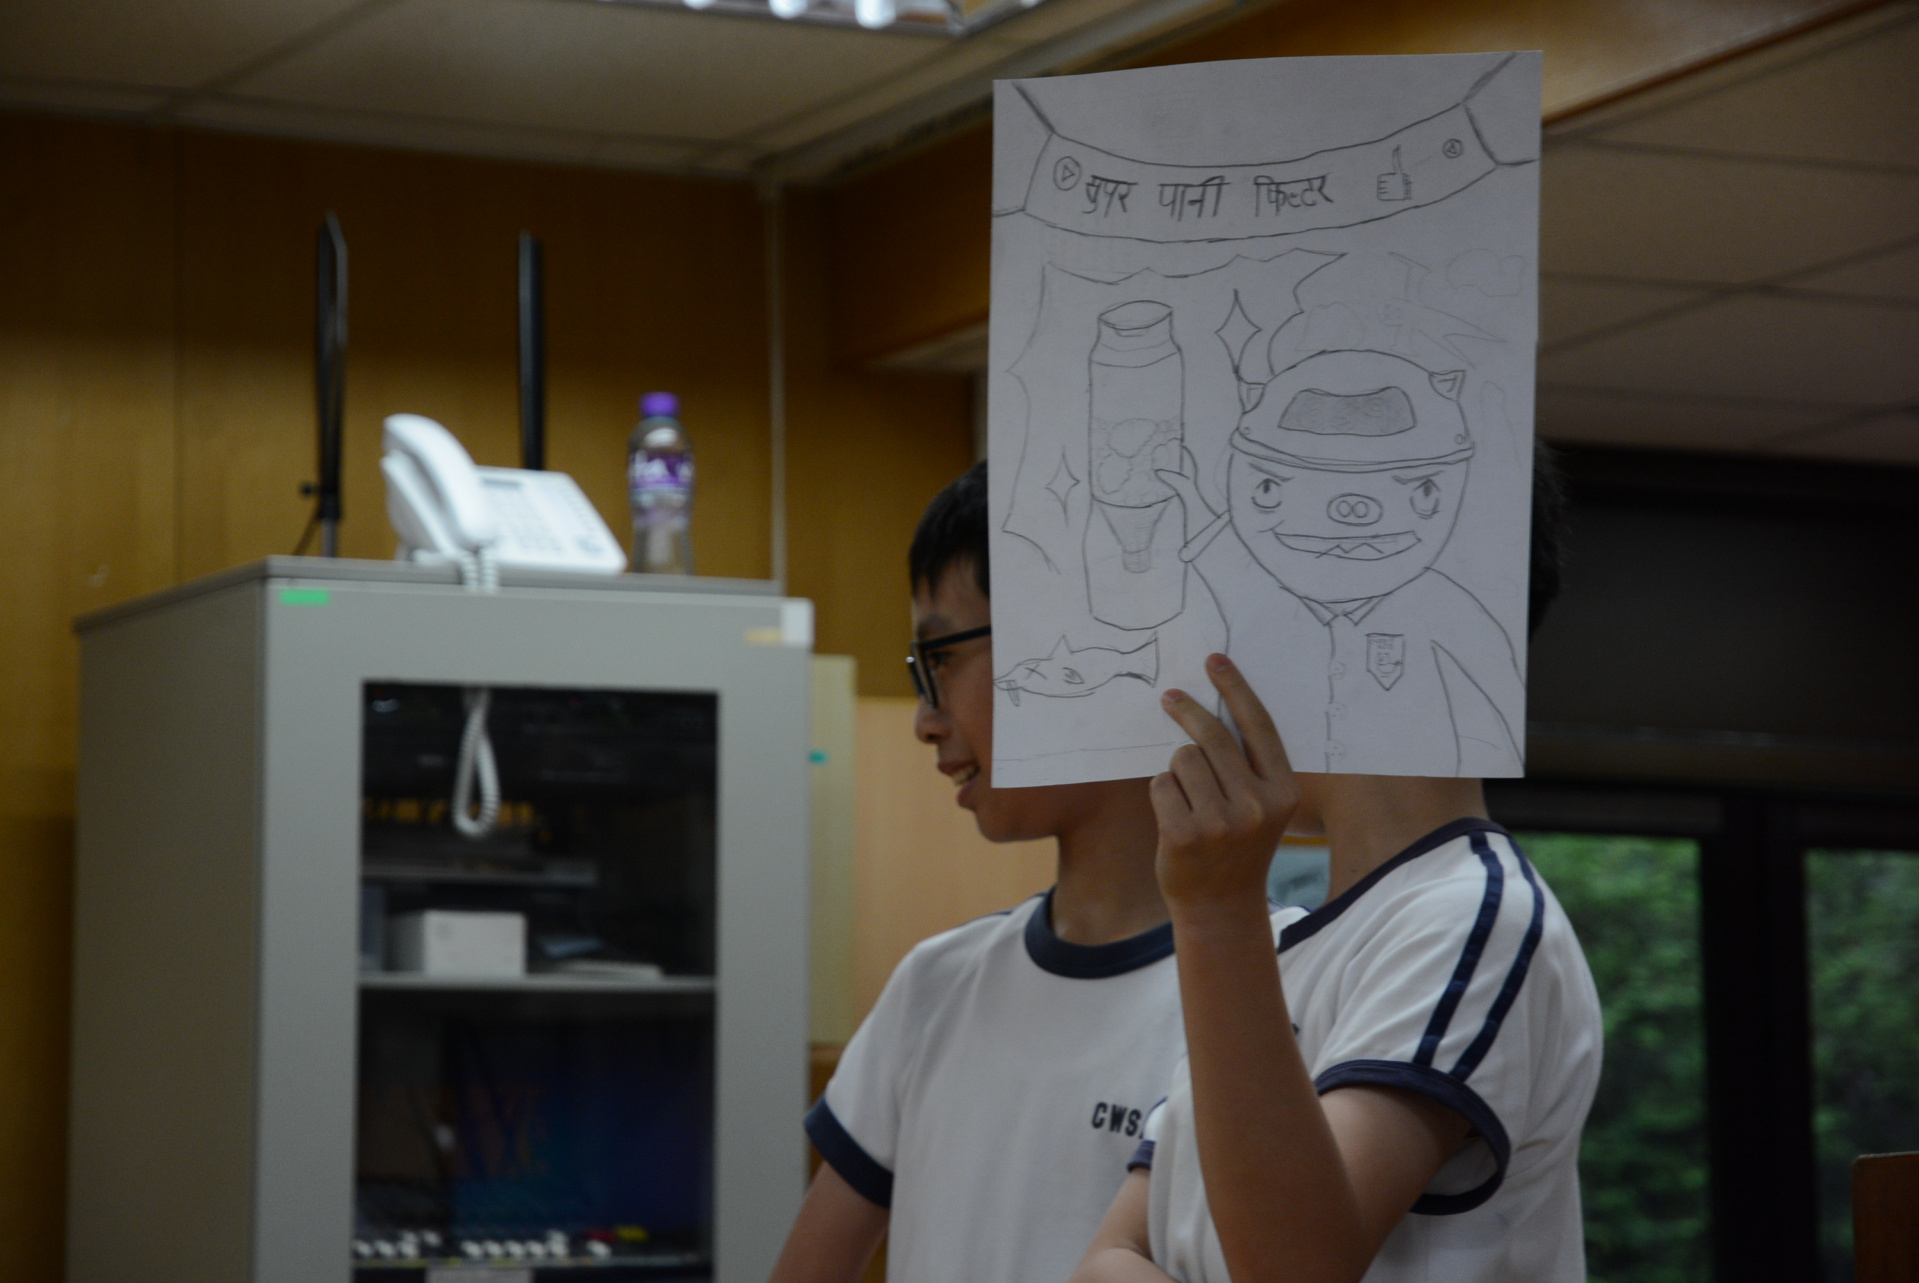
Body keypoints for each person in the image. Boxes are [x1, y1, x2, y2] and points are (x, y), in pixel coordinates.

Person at [1072, 443, 1600, 1283]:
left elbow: (1293, 1266)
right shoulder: (1279, 941)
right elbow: (1109, 1256)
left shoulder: (1474, 909)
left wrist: (1215, 911)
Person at [769, 461, 1187, 1283]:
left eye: (941, 658)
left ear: (1087, 644)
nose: (925, 720)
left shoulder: (1267, 993)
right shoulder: (935, 984)